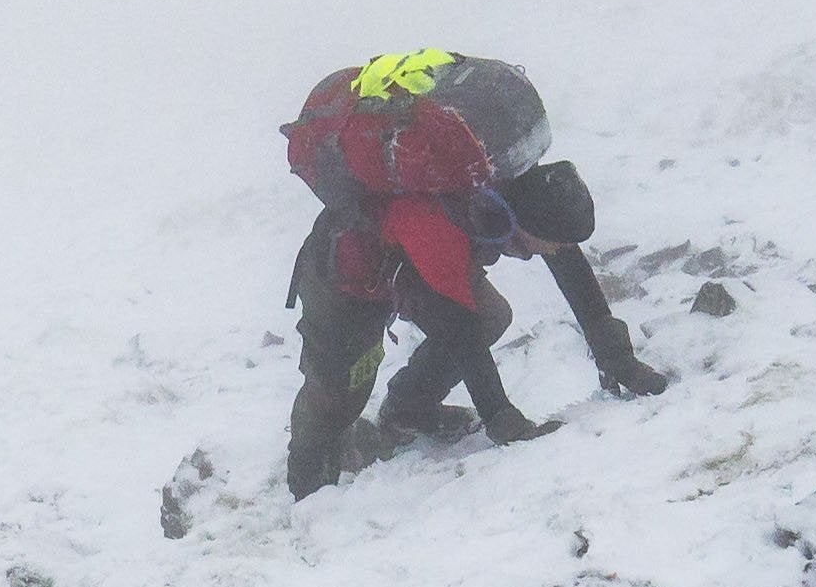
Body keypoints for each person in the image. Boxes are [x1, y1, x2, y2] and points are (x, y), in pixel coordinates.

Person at [283, 152, 674, 497]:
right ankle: (307, 485)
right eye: (553, 243)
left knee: (493, 315)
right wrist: (503, 419)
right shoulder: (441, 227)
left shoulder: (519, 195)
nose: (558, 251)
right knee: (343, 385)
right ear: (526, 228)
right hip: (348, 279)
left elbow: (567, 262)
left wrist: (617, 358)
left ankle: (408, 411)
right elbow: (460, 331)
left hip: (411, 270)